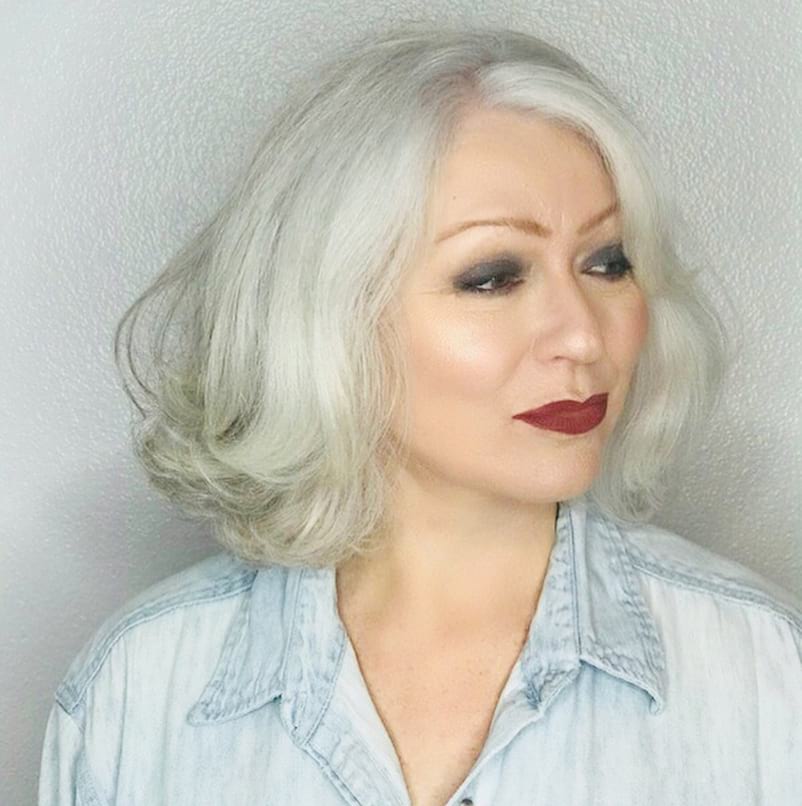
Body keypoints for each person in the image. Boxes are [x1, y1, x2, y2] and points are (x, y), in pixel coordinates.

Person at [38, 21, 802, 806]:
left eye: (607, 263)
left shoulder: (764, 674)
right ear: (329, 318)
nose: (583, 336)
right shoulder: (136, 694)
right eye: (493, 277)